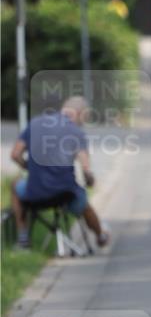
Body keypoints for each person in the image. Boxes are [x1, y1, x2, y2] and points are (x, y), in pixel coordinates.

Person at [10, 97, 109, 249]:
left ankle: (23, 237)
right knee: (84, 204)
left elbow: (15, 155)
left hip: (34, 194)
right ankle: (100, 236)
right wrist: (90, 180)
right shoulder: (76, 132)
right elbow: (86, 170)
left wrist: (28, 167)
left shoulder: (35, 123)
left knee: (15, 185)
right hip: (65, 195)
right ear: (81, 114)